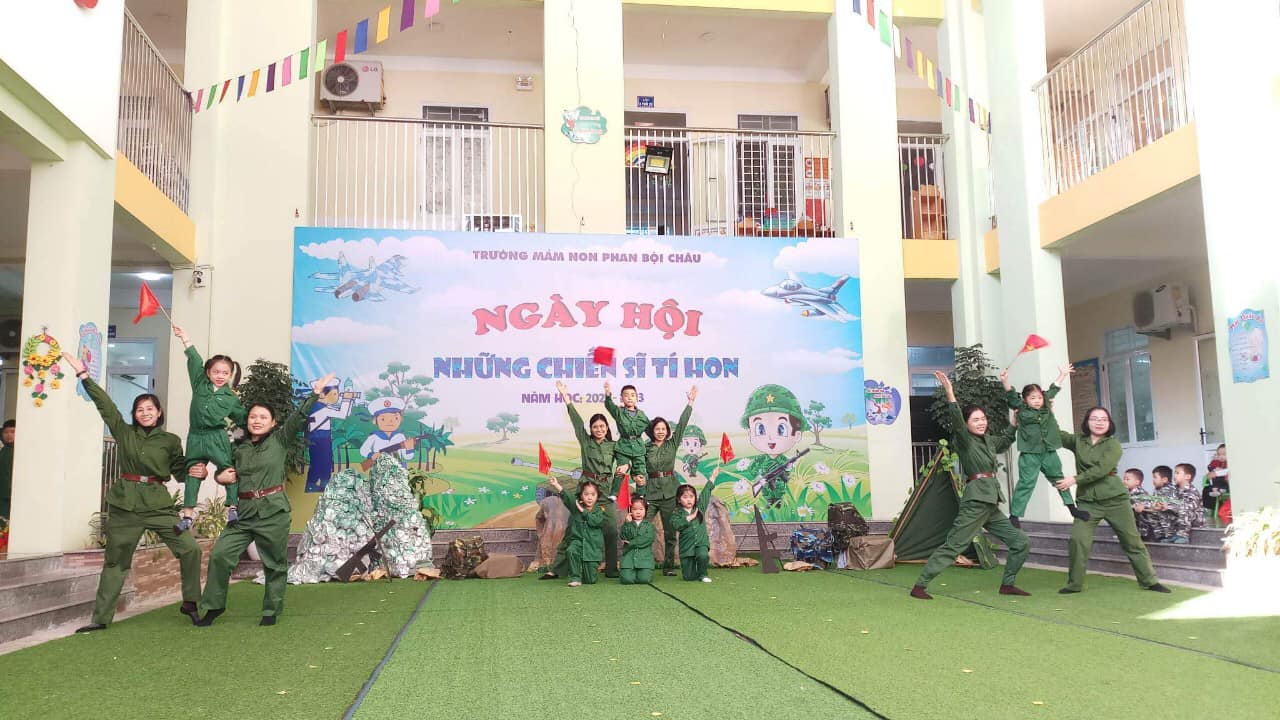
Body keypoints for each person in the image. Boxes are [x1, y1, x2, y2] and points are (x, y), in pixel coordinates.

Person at [61, 352, 204, 632]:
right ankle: (101, 619)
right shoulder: (123, 432)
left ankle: (191, 603)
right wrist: (84, 375)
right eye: (140, 409)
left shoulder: (170, 440)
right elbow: (106, 406)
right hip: (125, 505)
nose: (145, 413)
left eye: (150, 408)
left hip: (159, 506)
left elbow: (180, 471)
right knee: (116, 562)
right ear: (134, 414)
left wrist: (197, 471)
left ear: (159, 412)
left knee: (190, 549)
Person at [195, 375, 327, 626]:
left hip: (273, 511)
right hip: (243, 512)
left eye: (263, 417)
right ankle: (213, 607)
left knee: (274, 564)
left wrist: (315, 394)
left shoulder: (280, 440)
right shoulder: (238, 447)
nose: (257, 421)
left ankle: (270, 611)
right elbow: (224, 472)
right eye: (253, 417)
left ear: (273, 422)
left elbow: (299, 416)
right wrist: (219, 477)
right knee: (220, 555)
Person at [910, 371, 1031, 600]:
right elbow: (956, 420)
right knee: (954, 545)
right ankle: (920, 586)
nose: (981, 422)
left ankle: (1007, 585)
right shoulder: (964, 440)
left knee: (1020, 542)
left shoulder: (989, 441)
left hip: (990, 503)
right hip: (975, 501)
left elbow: (1005, 441)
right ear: (966, 424)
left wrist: (1014, 424)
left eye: (983, 418)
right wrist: (950, 392)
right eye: (976, 420)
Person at [1057, 407, 1170, 594]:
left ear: (1109, 424)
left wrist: (1074, 479)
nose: (1099, 422)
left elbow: (1102, 469)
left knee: (1132, 541)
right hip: (1088, 502)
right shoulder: (1078, 440)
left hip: (1116, 500)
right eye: (1095, 418)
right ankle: (1074, 584)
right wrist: (1046, 411)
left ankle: (1149, 581)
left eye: (1104, 419)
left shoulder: (1113, 444)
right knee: (1078, 540)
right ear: (1087, 422)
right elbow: (1056, 434)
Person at [541, 381, 623, 580]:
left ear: (607, 428)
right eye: (595, 427)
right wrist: (566, 397)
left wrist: (619, 481)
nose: (599, 429)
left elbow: (622, 468)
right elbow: (577, 422)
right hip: (586, 491)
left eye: (602, 426)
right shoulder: (586, 442)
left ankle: (611, 569)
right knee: (573, 529)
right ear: (591, 429)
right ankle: (557, 569)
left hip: (605, 493)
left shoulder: (614, 446)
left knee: (611, 530)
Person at [173, 326, 246, 533]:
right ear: (208, 372)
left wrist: (239, 438)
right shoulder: (199, 383)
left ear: (230, 374)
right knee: (193, 472)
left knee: (227, 469)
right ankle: (187, 516)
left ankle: (233, 508)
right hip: (195, 436)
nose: (220, 376)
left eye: (225, 373)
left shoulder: (231, 398)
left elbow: (243, 420)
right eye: (216, 372)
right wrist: (185, 338)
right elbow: (194, 360)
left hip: (217, 437)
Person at [1001, 366, 1089, 527]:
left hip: (1049, 451)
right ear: (1025, 400)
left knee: (1059, 479)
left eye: (1039, 398)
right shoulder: (1020, 407)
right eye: (1032, 398)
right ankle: (1014, 516)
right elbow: (1011, 395)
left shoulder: (1047, 405)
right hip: (1029, 453)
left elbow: (1053, 389)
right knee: (1026, 483)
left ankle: (1072, 508)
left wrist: (1062, 375)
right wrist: (1005, 380)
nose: (1037, 400)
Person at [638, 385, 697, 576]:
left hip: (670, 492)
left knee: (671, 533)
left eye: (664, 429)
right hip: (650, 493)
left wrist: (690, 402)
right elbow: (638, 466)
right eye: (657, 429)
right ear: (652, 431)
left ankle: (669, 566)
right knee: (643, 528)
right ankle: (642, 563)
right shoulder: (645, 447)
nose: (661, 431)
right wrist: (637, 479)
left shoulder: (672, 443)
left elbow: (682, 424)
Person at [669, 467, 726, 583]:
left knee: (703, 555)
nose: (689, 500)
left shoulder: (700, 508)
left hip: (701, 543)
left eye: (691, 497)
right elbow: (675, 525)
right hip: (686, 547)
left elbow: (706, 492)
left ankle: (703, 574)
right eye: (685, 497)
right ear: (679, 499)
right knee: (689, 577)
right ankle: (693, 572)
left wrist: (713, 476)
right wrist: (688, 518)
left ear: (695, 498)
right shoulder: (676, 513)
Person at [547, 476, 604, 587]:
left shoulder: (600, 510)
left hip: (592, 546)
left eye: (593, 495)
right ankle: (575, 577)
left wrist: (583, 511)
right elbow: (568, 497)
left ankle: (585, 573)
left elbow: (595, 522)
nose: (589, 498)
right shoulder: (576, 507)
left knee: (590, 580)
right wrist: (556, 485)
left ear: (597, 496)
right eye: (586, 494)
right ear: (581, 496)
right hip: (577, 541)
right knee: (571, 550)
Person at [305, 380, 356, 492]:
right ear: (322, 394)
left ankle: (316, 484)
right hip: (321, 440)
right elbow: (343, 414)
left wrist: (348, 400)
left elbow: (344, 413)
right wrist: (347, 399)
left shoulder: (316, 407)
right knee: (323, 462)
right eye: (334, 394)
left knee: (319, 462)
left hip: (318, 439)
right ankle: (319, 484)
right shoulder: (323, 409)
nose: (337, 396)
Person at [604, 382, 650, 489]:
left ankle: (641, 495)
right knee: (621, 470)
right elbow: (609, 405)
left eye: (632, 395)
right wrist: (607, 393)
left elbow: (650, 428)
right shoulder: (619, 412)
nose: (629, 398)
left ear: (637, 398)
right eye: (626, 395)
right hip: (623, 446)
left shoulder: (642, 415)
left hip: (638, 447)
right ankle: (614, 494)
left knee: (641, 473)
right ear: (622, 398)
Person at [619, 496, 656, 585]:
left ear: (646, 510)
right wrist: (627, 523)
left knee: (644, 579)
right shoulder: (627, 523)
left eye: (641, 509)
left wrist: (631, 543)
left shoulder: (649, 525)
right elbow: (624, 536)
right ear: (630, 510)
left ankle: (640, 573)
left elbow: (648, 539)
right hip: (628, 558)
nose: (638, 512)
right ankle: (631, 573)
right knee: (626, 580)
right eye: (634, 509)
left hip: (645, 559)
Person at [1171, 463, 1205, 544]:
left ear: (1188, 477)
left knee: (1184, 509)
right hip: (1181, 518)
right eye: (1174, 473)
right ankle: (1168, 535)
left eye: (1177, 473)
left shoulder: (1192, 491)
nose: (1174, 475)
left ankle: (1183, 535)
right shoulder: (1174, 489)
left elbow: (1187, 507)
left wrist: (1169, 506)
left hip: (1195, 520)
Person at [1124, 468, 1159, 541]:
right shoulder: (1126, 493)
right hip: (1135, 528)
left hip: (1146, 529)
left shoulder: (1141, 493)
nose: (1124, 481)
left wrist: (1143, 506)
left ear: (1137, 482)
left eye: (1127, 479)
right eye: (1124, 479)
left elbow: (1150, 504)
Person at [1148, 466, 1179, 543]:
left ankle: (1170, 535)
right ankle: (1160, 535)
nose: (1153, 480)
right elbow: (1153, 502)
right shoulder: (1158, 489)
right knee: (1150, 513)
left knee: (1161, 512)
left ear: (1164, 479)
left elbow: (1160, 504)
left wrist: (1150, 506)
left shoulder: (1169, 489)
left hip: (1173, 516)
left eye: (1155, 477)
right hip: (1165, 514)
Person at [1202, 444, 1229, 508]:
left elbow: (1228, 471)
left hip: (1225, 483)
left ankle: (1220, 490)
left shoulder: (1229, 462)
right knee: (1206, 489)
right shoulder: (1217, 462)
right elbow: (1210, 467)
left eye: (1224, 454)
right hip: (1215, 482)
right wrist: (1214, 468)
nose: (1221, 456)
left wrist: (1219, 472)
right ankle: (1209, 508)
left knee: (1220, 483)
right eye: (1219, 455)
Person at [0, 419, 13, 520]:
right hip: (2, 494)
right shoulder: (3, 451)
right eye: (6, 432)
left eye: (12, 432)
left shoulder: (20, 451)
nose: (9, 435)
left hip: (12, 494)